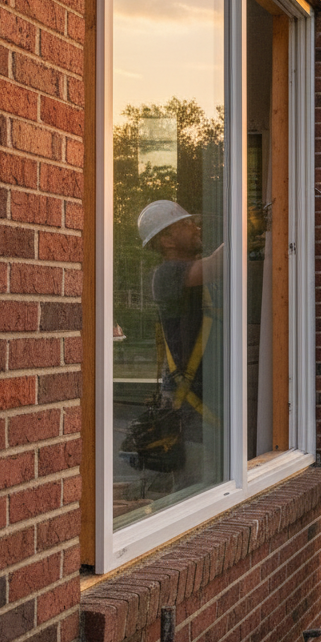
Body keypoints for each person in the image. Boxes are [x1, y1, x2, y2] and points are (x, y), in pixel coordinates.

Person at [135, 200, 225, 476]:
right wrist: (245, 228)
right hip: (189, 404)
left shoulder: (196, 276)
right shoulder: (166, 274)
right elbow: (216, 265)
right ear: (167, 240)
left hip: (207, 397)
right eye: (186, 224)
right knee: (196, 483)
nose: (196, 227)